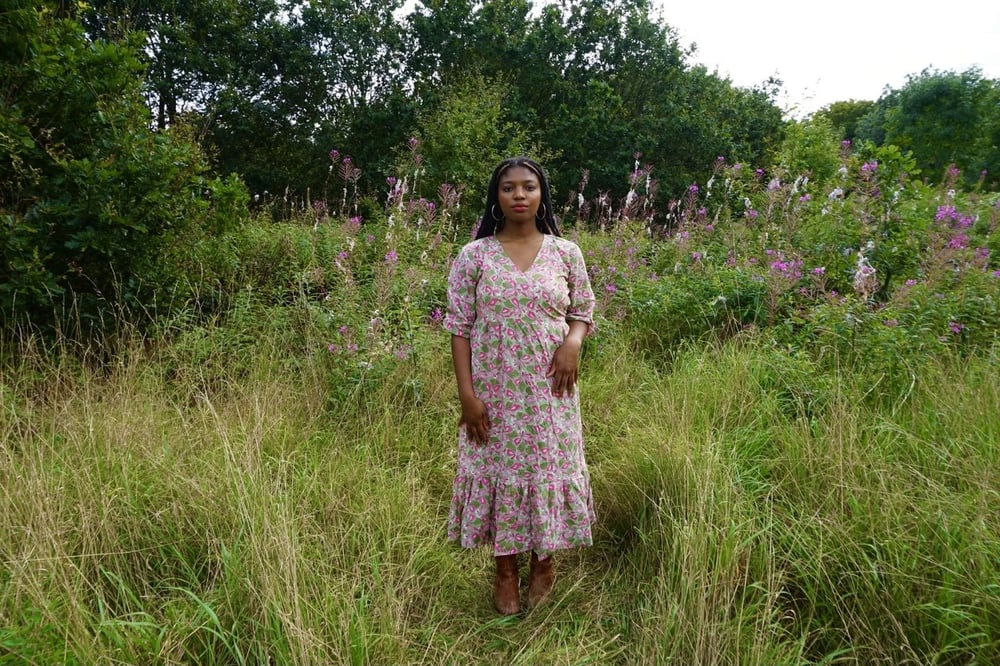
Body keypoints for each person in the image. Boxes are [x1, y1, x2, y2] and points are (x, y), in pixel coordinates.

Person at [443, 157, 596, 615]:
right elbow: (459, 327)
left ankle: (543, 564)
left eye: (528, 187)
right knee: (501, 474)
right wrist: (467, 397)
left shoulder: (566, 252)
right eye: (508, 188)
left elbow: (584, 309)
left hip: (551, 392)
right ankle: (505, 570)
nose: (519, 195)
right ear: (497, 198)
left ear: (541, 194)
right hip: (494, 391)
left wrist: (572, 342)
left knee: (545, 470)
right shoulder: (475, 256)